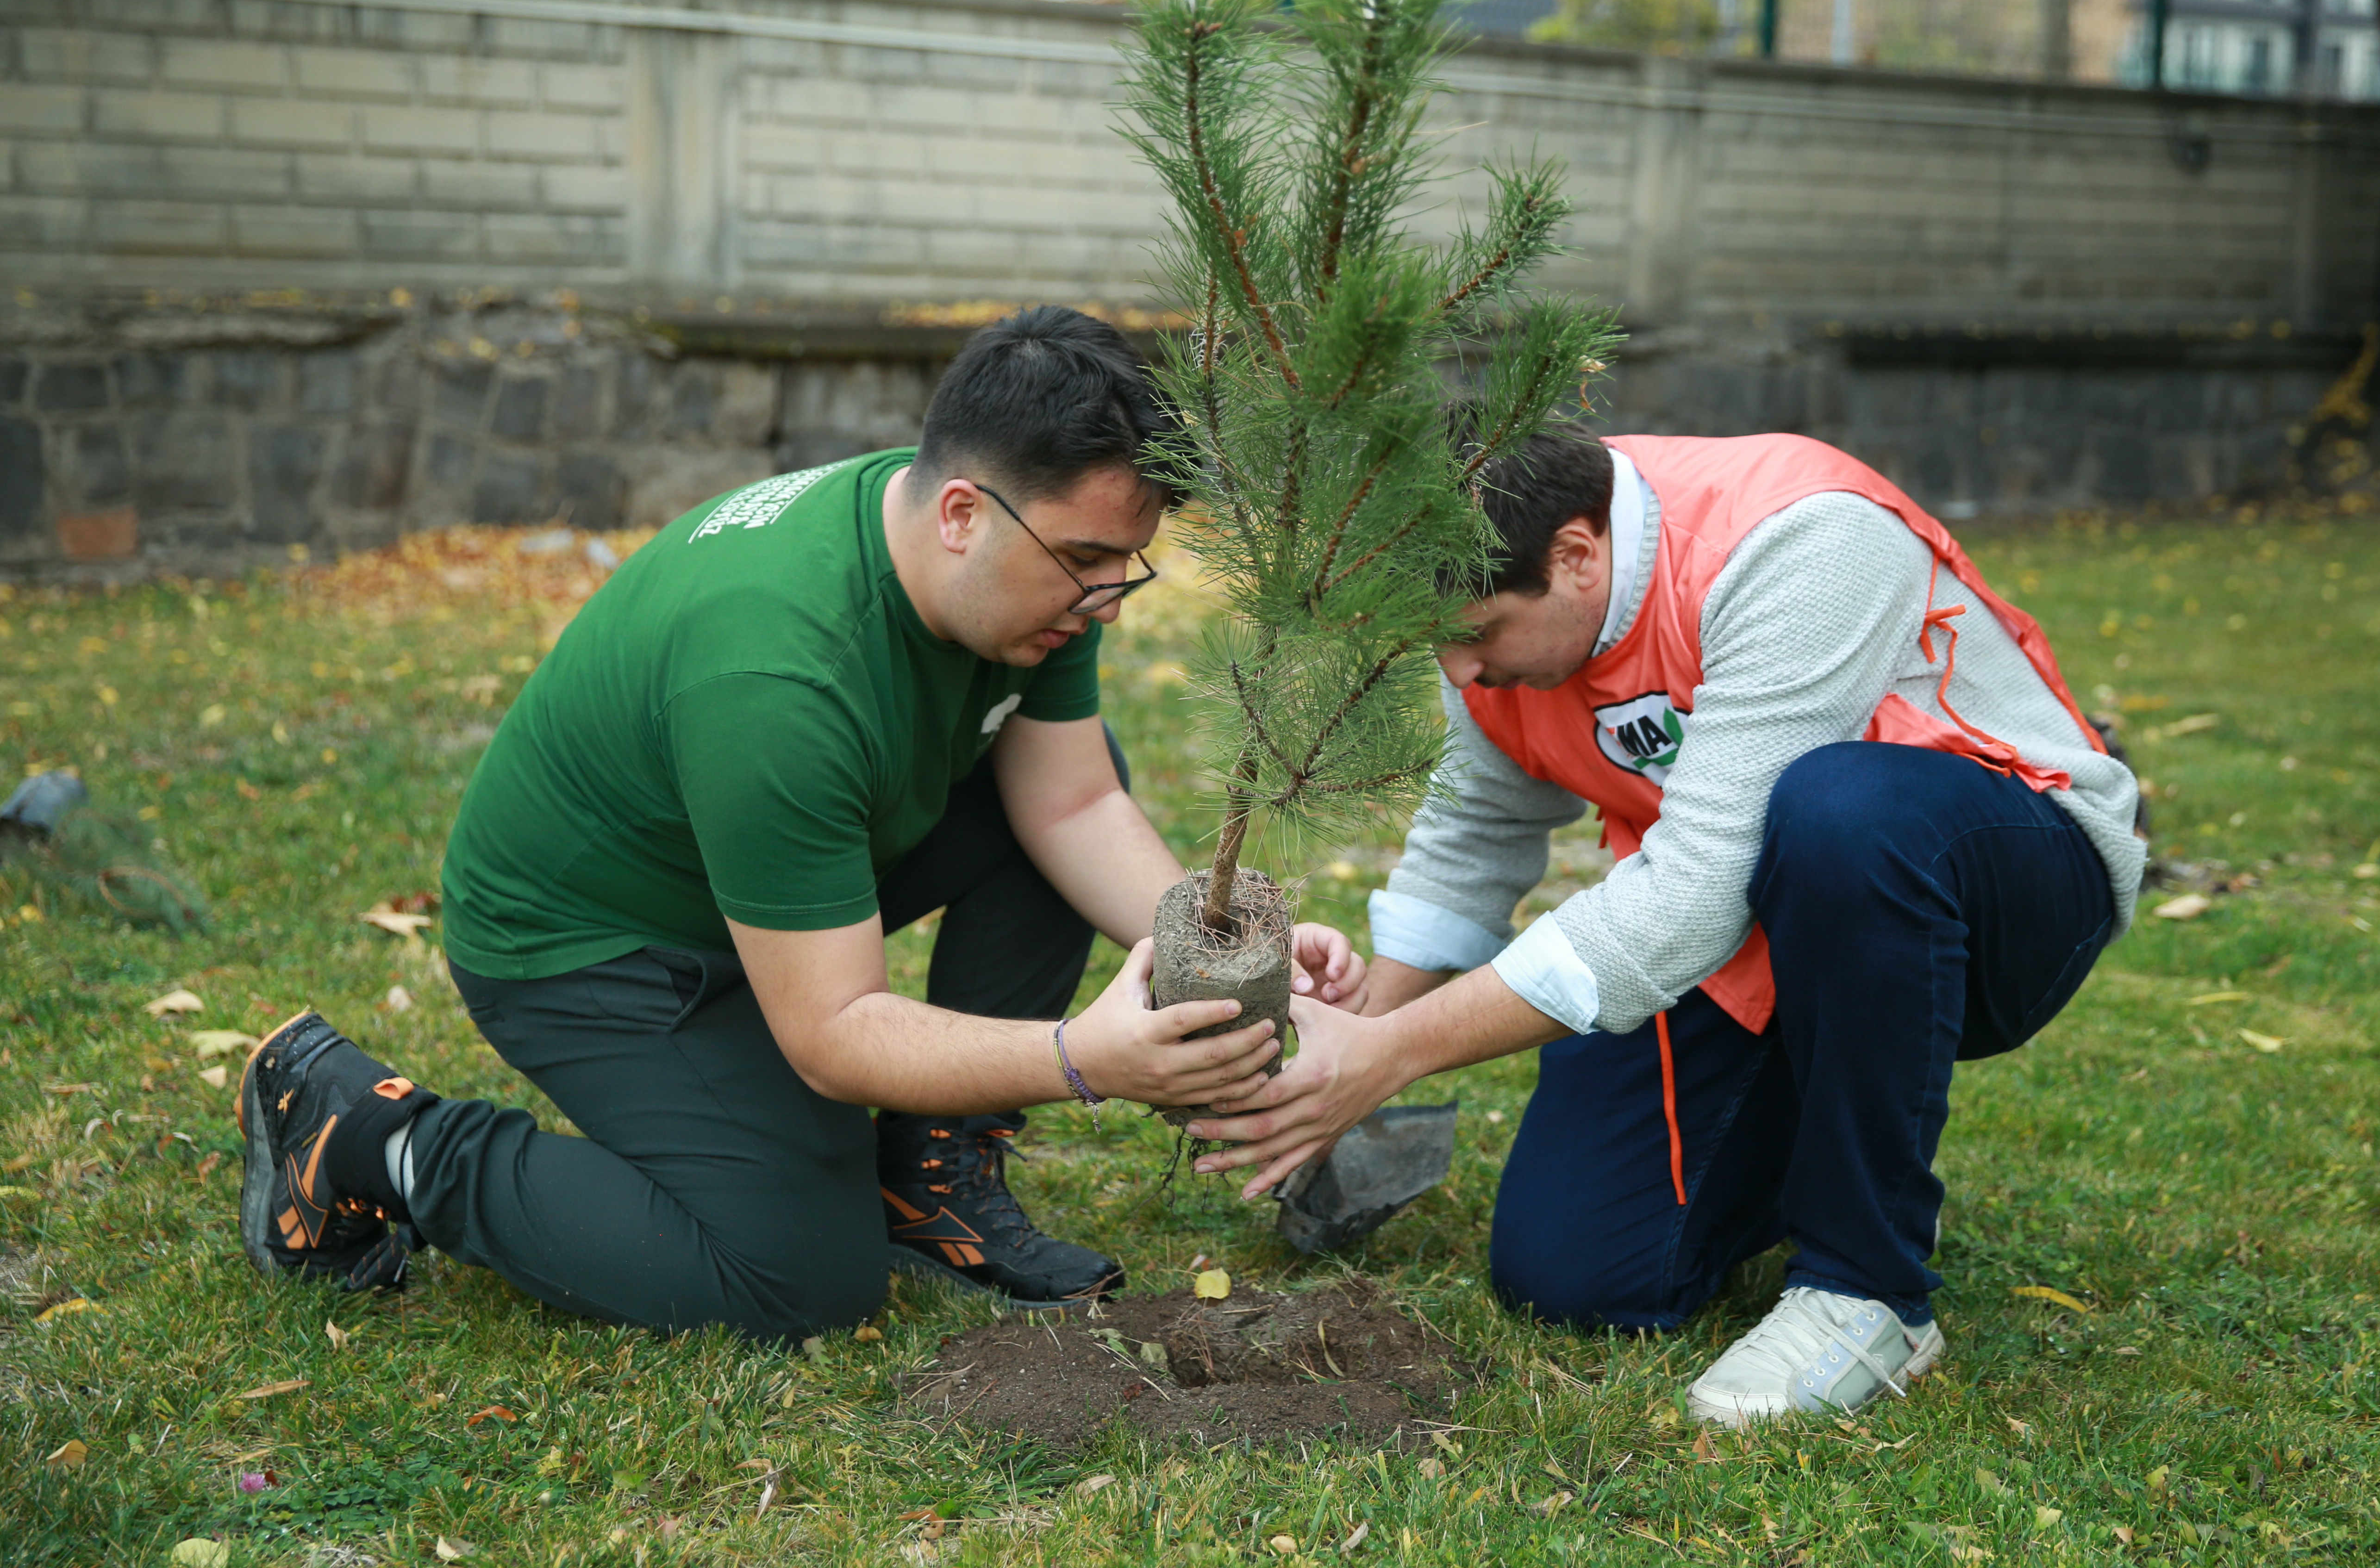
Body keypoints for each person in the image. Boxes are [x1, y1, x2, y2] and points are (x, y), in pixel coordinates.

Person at [233, 306, 1363, 1339]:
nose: (1110, 597)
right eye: (1085, 562)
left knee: (1059, 789)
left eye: (1128, 564)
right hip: (597, 950)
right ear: (964, 512)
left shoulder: (1010, 570)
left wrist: (1210, 961)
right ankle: (368, 1134)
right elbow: (832, 1036)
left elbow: (1072, 800)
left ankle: (927, 1183)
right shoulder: (776, 671)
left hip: (774, 889)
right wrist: (1082, 1061)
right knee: (798, 1279)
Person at [1188, 428, 2141, 1425]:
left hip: (2007, 887)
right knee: (1573, 1274)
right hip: (1766, 930)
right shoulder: (1494, 591)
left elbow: (1691, 898)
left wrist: (1393, 1055)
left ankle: (1869, 1289)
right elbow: (1475, 839)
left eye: (1479, 636)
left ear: (1576, 557)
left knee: (1840, 812)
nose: (1462, 676)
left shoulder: (1797, 538)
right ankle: (1816, 1137)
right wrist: (1350, 1048)